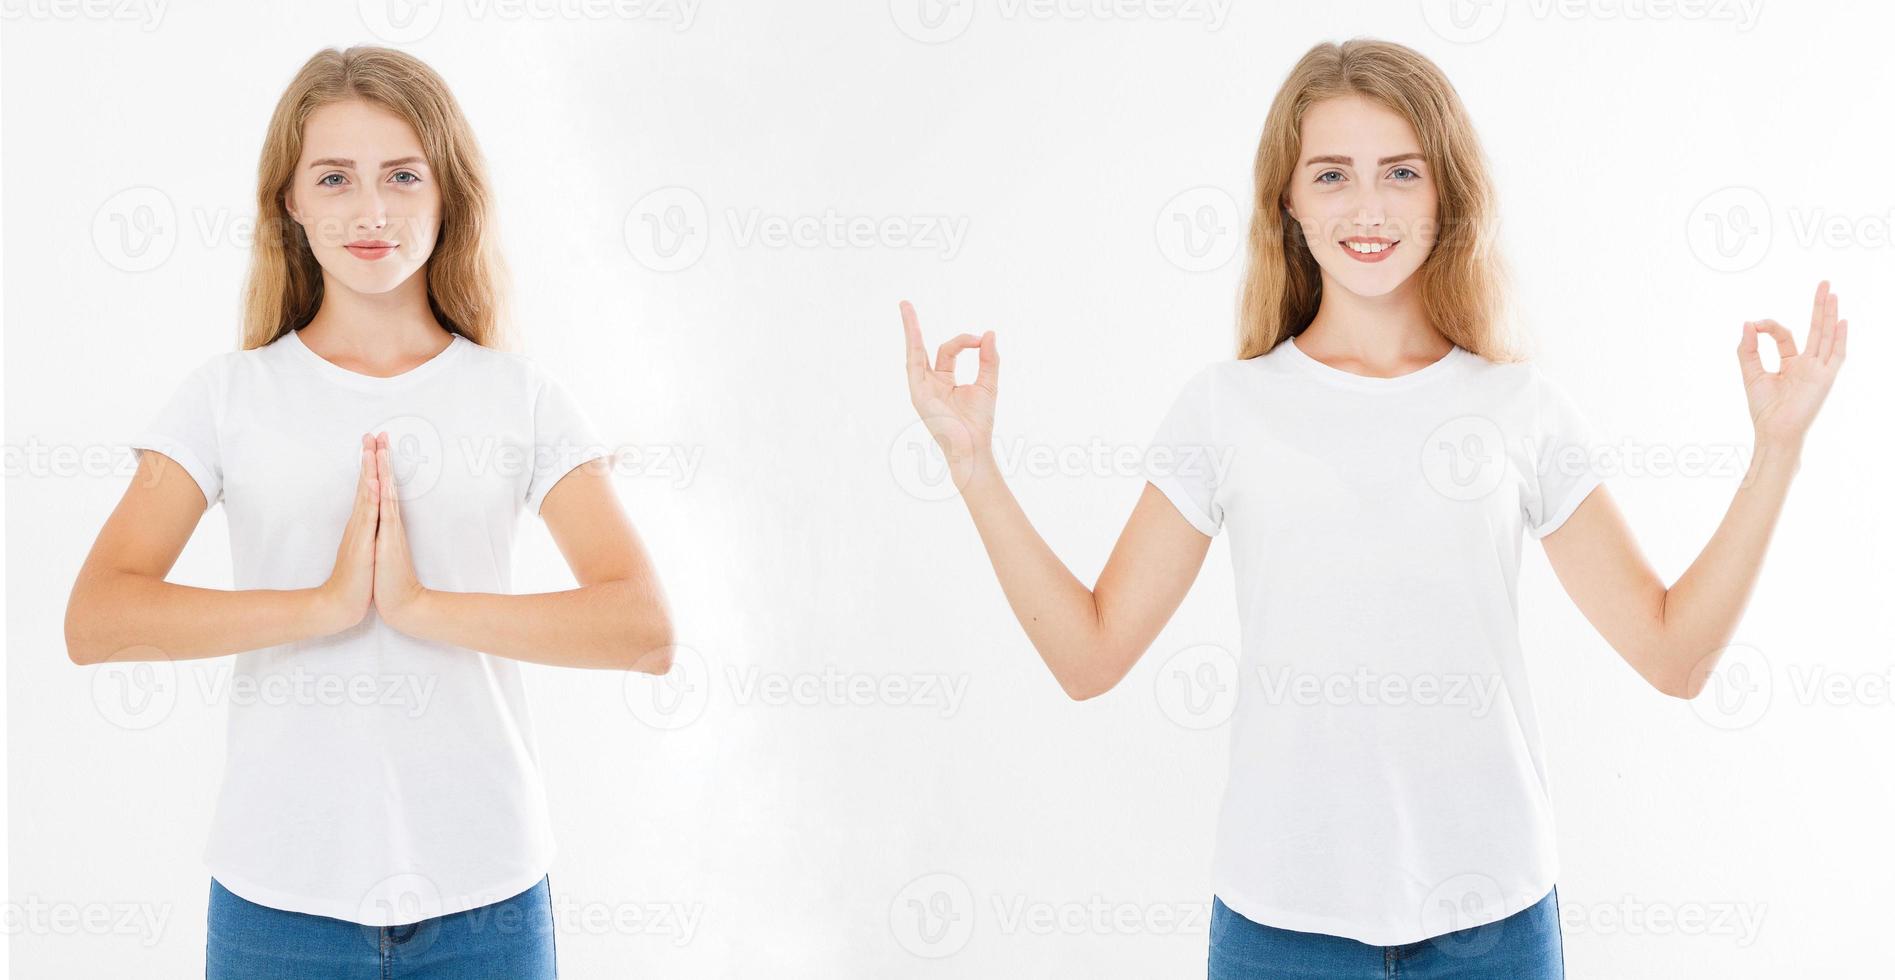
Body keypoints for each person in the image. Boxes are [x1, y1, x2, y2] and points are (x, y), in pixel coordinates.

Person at [896, 38, 1846, 979]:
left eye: (1401, 172)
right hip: (1279, 929)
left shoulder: (1519, 409)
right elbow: (1088, 655)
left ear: (1446, 196)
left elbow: (1675, 655)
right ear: (1289, 202)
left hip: (1495, 925)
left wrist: (1776, 451)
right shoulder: (1227, 409)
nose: (1368, 207)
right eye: (1331, 174)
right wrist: (974, 465)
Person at [63, 46, 674, 979]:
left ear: (448, 194)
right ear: (290, 203)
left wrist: (423, 607)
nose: (371, 210)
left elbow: (641, 629)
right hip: (279, 903)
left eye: (401, 175)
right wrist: (322, 604)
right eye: (334, 178)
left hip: (489, 899)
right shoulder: (226, 398)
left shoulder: (523, 397)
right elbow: (98, 619)